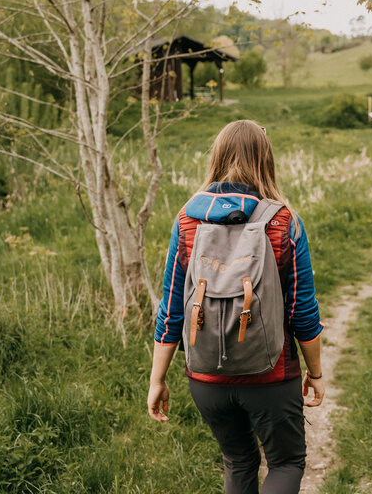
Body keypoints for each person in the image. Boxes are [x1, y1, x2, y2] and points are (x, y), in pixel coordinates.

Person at [147, 119, 324, 494]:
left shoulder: (186, 220)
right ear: (266, 160)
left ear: (217, 157)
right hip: (272, 376)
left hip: (206, 376)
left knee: (238, 460)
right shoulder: (283, 221)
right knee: (286, 463)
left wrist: (157, 379)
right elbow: (302, 312)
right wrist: (316, 372)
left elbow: (171, 310)